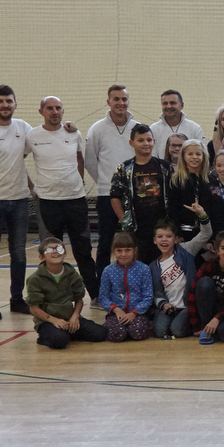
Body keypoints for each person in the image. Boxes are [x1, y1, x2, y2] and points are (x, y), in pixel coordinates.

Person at [24, 95, 99, 302]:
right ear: (41, 112)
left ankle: (96, 296)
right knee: (51, 251)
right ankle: (53, 298)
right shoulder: (32, 136)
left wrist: (79, 182)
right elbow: (16, 161)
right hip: (47, 202)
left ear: (63, 111)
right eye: (49, 108)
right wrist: (31, 187)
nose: (54, 112)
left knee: (83, 251)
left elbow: (79, 159)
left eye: (58, 108)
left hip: (76, 201)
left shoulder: (73, 133)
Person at [85, 84, 139, 296]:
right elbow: (91, 162)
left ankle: (135, 287)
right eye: (116, 99)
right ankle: (102, 290)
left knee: (135, 240)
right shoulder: (97, 129)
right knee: (105, 243)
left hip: (134, 196)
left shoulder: (137, 127)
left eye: (124, 99)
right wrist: (107, 184)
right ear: (108, 101)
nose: (120, 103)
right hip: (106, 196)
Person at [27, 237, 108, 349]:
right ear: (41, 257)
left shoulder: (72, 273)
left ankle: (68, 332)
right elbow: (34, 309)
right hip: (48, 321)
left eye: (58, 248)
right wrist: (54, 320)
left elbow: (78, 299)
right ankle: (46, 337)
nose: (55, 252)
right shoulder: (35, 279)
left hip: (69, 318)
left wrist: (75, 316)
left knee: (100, 333)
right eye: (49, 250)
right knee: (59, 341)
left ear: (64, 252)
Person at [109, 124, 174, 264]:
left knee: (163, 263)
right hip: (137, 228)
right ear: (131, 143)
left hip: (162, 225)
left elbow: (175, 194)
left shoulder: (164, 166)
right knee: (139, 264)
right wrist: (124, 220)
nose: (146, 143)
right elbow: (115, 196)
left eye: (149, 140)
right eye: (141, 140)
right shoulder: (124, 168)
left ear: (154, 142)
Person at [150, 214, 212, 340]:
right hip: (169, 308)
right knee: (160, 331)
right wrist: (164, 305)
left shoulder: (186, 250)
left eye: (168, 236)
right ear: (154, 240)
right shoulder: (153, 266)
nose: (164, 240)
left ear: (175, 239)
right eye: (160, 236)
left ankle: (191, 323)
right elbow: (156, 293)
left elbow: (206, 233)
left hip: (188, 306)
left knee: (177, 330)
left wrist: (202, 215)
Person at [99, 232, 154, 342]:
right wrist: (116, 310)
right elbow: (103, 297)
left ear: (135, 250)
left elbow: (148, 297)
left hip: (137, 314)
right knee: (116, 334)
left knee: (138, 332)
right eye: (119, 251)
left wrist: (134, 313)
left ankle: (130, 330)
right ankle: (123, 330)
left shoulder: (144, 269)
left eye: (128, 250)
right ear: (113, 251)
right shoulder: (108, 271)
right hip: (116, 315)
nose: (123, 254)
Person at [167, 139, 211, 242]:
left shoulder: (209, 179)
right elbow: (173, 209)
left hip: (206, 231)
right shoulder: (176, 180)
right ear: (183, 156)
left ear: (204, 156)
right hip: (183, 232)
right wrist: (177, 233)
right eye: (190, 154)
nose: (194, 157)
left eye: (198, 154)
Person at [151, 89, 205, 159]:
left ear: (182, 105)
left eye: (172, 103)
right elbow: (152, 157)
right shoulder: (153, 129)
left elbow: (202, 154)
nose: (169, 106)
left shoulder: (194, 128)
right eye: (165, 103)